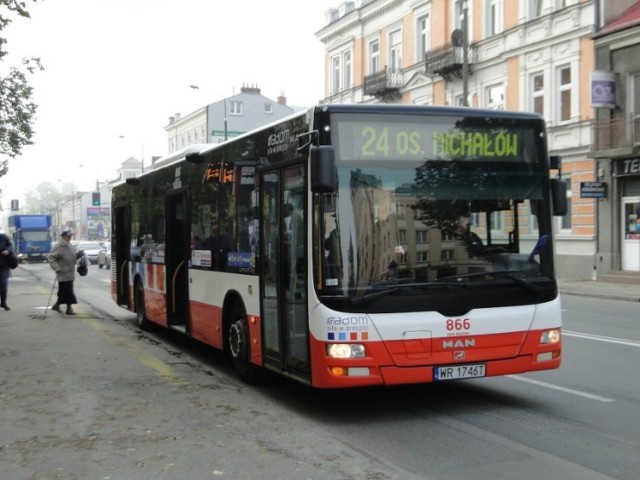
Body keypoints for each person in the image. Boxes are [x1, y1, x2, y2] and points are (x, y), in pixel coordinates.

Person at [47, 227, 84, 315]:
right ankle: (69, 309)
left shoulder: (69, 245)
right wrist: (56, 268)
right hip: (62, 272)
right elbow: (50, 257)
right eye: (68, 236)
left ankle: (57, 305)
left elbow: (72, 257)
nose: (69, 238)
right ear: (63, 236)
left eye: (70, 236)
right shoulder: (59, 246)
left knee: (64, 292)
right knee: (67, 292)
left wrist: (79, 255)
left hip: (70, 272)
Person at [0, 230, 15, 310]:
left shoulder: (3, 237)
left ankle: (3, 302)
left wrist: (8, 250)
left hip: (4, 265)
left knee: (3, 283)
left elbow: (10, 245)